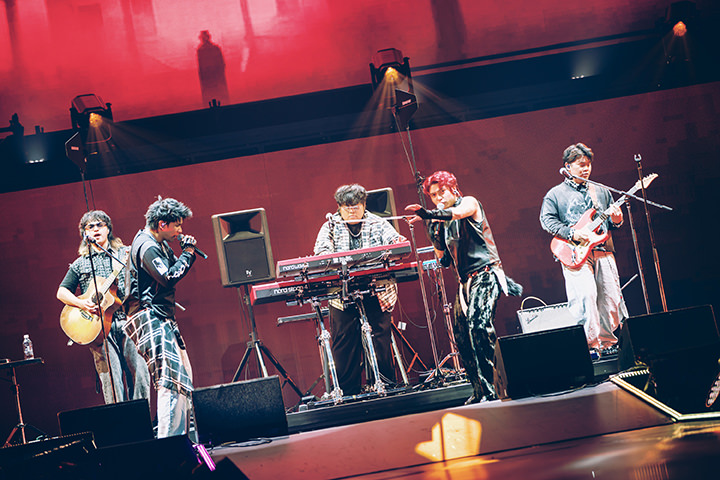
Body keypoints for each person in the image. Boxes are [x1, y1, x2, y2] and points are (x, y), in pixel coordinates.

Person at [406, 171, 521, 403]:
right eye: (433, 195)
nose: (438, 198)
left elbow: (457, 213)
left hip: (486, 274)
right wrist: (432, 229)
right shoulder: (441, 221)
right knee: (462, 337)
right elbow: (443, 259)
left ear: (453, 189)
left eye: (442, 192)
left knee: (479, 328)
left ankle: (498, 387)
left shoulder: (469, 202)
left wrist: (429, 214)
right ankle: (480, 390)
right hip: (465, 282)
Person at [313, 184, 405, 396]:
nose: (352, 211)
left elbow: (395, 243)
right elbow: (321, 253)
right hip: (342, 291)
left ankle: (386, 385)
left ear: (364, 205)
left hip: (376, 288)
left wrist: (397, 243)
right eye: (347, 207)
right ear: (339, 207)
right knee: (344, 341)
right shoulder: (330, 226)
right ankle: (347, 391)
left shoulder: (377, 222)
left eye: (356, 206)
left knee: (380, 337)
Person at [540, 142, 629, 356]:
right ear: (567, 166)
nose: (586, 169)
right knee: (585, 297)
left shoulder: (601, 191)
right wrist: (572, 234)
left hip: (603, 250)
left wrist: (618, 219)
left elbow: (613, 223)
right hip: (575, 252)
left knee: (610, 298)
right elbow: (547, 221)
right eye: (581, 165)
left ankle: (608, 343)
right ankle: (591, 346)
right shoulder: (555, 194)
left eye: (588, 164)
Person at [123, 198, 199, 438]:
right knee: (170, 380)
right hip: (149, 317)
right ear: (162, 224)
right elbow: (168, 278)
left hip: (162, 317)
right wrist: (188, 253)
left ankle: (181, 439)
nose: (180, 230)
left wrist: (186, 254)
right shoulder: (147, 246)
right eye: (177, 225)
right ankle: (170, 445)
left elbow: (173, 270)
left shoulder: (160, 244)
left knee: (182, 378)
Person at [57, 210, 150, 404]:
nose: (95, 229)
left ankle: (141, 419)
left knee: (140, 375)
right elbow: (62, 292)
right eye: (90, 226)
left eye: (100, 225)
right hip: (98, 329)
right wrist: (81, 303)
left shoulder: (125, 254)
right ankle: (119, 422)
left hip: (128, 321)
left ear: (109, 229)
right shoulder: (80, 264)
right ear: (85, 234)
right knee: (111, 383)